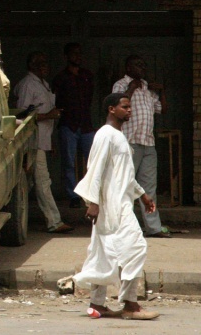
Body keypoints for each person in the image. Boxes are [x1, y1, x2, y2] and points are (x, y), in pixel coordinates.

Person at [71, 93, 159, 321]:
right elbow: (95, 169)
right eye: (125, 106)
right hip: (111, 207)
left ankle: (97, 305)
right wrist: (93, 202)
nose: (129, 110)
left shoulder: (119, 136)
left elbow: (125, 174)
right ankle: (130, 305)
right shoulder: (105, 135)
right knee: (136, 247)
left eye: (130, 107)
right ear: (112, 109)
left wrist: (143, 196)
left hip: (120, 203)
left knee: (105, 254)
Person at [14, 52, 73, 233]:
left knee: (30, 182)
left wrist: (51, 141)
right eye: (40, 63)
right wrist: (48, 115)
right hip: (32, 142)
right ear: (31, 65)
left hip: (42, 141)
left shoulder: (44, 84)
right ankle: (54, 222)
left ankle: (17, 218)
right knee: (42, 181)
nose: (44, 66)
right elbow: (21, 116)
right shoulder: (27, 85)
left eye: (45, 62)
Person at [112, 55, 170, 238]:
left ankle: (153, 228)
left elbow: (162, 109)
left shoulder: (147, 87)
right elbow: (116, 107)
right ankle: (123, 228)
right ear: (128, 66)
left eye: (144, 65)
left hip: (148, 143)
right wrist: (131, 88)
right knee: (124, 186)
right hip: (128, 142)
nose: (142, 68)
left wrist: (162, 91)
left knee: (148, 187)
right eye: (138, 65)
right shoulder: (121, 84)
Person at [52, 43, 95, 208]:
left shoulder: (87, 75)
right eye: (74, 54)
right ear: (66, 56)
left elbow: (89, 99)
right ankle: (73, 195)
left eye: (79, 53)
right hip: (68, 124)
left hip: (86, 124)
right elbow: (56, 101)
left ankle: (91, 194)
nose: (77, 56)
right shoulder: (60, 78)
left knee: (92, 161)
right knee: (69, 162)